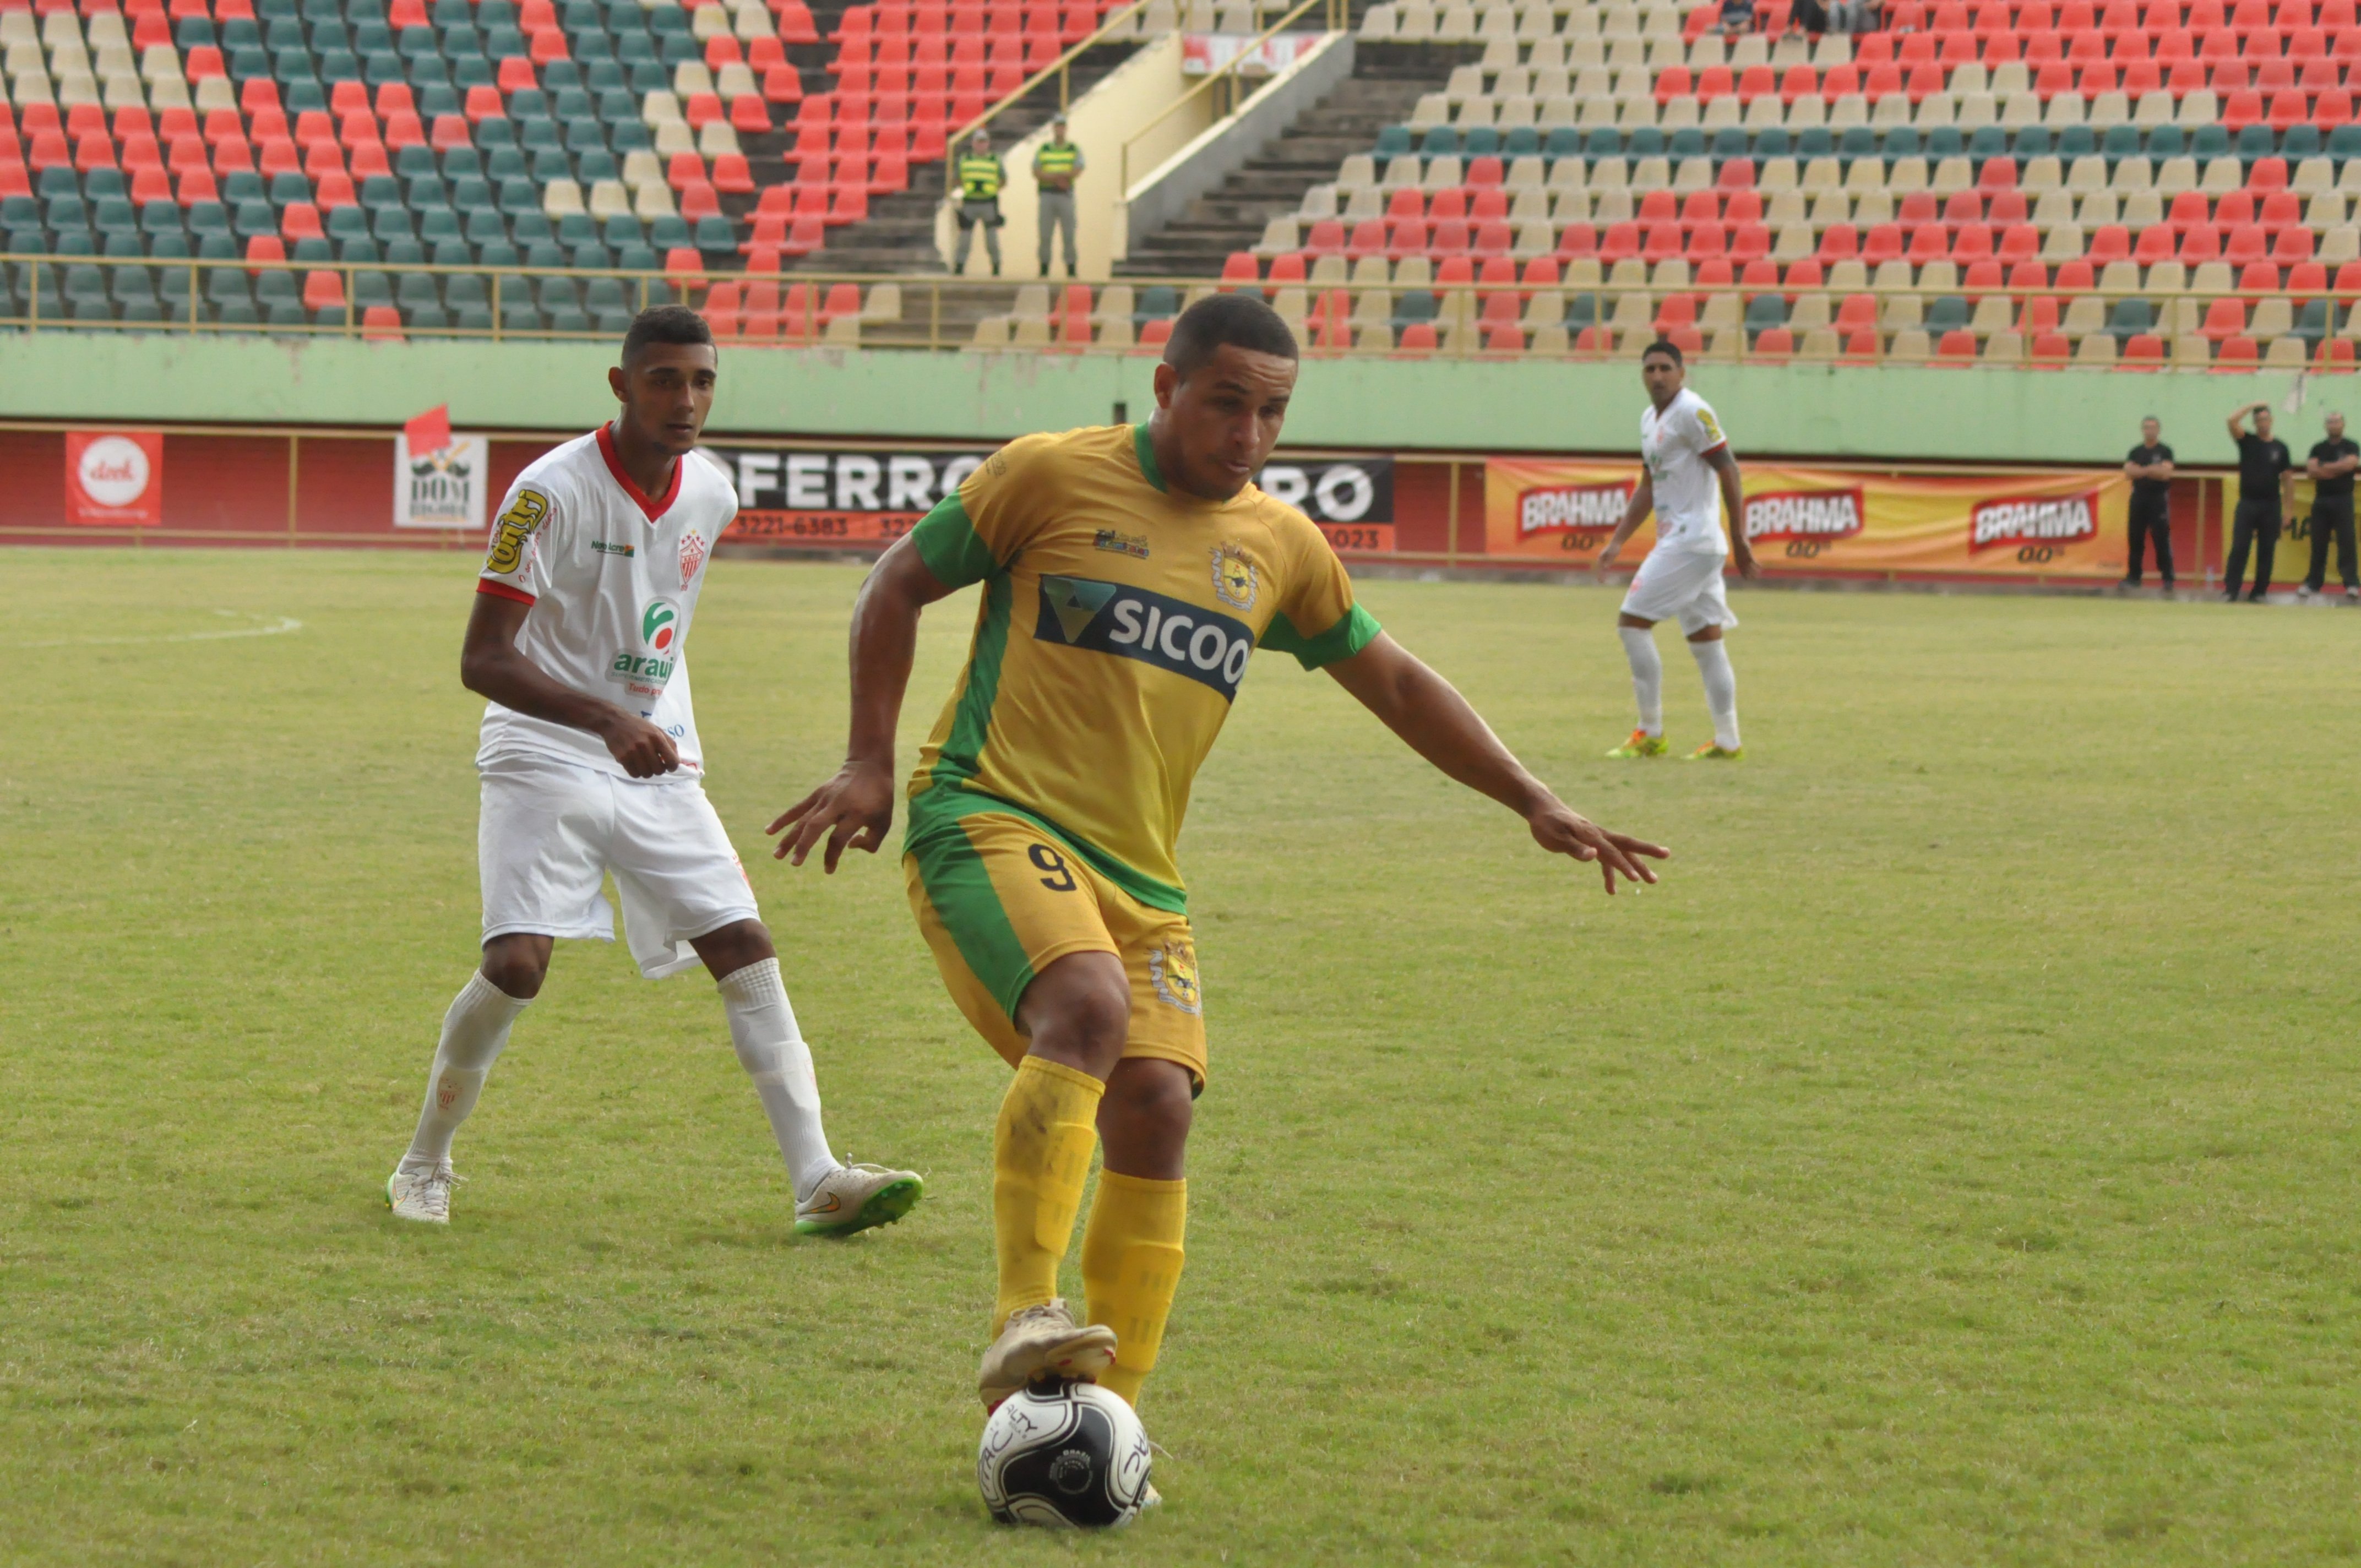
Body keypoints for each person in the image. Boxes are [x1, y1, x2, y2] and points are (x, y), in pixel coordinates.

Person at [766, 295, 1667, 1435]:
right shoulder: (1048, 475)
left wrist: (1532, 796)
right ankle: (1023, 1309)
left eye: (1272, 412)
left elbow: (1393, 679)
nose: (1248, 434)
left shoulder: (1278, 545)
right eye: (1226, 402)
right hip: (987, 811)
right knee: (1086, 1005)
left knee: (1155, 1105)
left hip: (1140, 877)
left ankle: (1108, 1428)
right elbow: (895, 581)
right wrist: (866, 758)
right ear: (1167, 387)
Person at [385, 306, 924, 1237]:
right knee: (517, 965)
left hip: (656, 752)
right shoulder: (547, 493)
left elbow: (652, 621)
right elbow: (483, 658)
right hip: (544, 745)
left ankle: (818, 1179)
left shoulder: (711, 490)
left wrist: (646, 718)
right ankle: (423, 1162)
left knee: (742, 942)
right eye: (665, 380)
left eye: (702, 381)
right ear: (622, 384)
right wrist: (604, 718)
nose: (686, 400)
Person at [1596, 339, 1759, 761]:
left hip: (1692, 540)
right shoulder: (1649, 419)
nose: (1658, 376)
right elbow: (1648, 485)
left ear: (1682, 373)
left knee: (1632, 624)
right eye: (1650, 369)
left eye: (1665, 368)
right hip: (1687, 542)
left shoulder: (1693, 411)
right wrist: (1618, 540)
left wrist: (1740, 537)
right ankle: (1728, 740)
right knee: (1707, 642)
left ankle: (1650, 731)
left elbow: (1728, 469)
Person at [2224, 401, 2293, 603]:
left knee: (2267, 549)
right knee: (2240, 547)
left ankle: (2260, 592)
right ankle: (2231, 590)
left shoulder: (2280, 448)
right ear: (2254, 423)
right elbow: (2231, 420)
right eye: (2259, 420)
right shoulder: (2247, 441)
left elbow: (2288, 480)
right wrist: (2253, 405)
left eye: (2265, 419)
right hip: (2248, 503)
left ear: (2271, 420)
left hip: (2271, 505)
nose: (2263, 423)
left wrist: (2288, 511)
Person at [2302, 410, 2360, 601]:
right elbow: (2312, 471)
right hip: (2321, 501)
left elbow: (2349, 466)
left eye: (2337, 421)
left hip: (2343, 500)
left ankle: (2351, 584)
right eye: (2330, 422)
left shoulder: (2351, 446)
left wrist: (2324, 468)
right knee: (2318, 543)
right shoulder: (2318, 448)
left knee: (2347, 542)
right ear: (2326, 425)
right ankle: (2313, 583)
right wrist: (2337, 469)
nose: (2333, 425)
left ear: (2343, 424)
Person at [2121, 415, 2175, 592]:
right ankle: (2134, 577)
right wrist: (2151, 470)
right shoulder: (2136, 452)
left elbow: (2165, 473)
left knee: (2161, 539)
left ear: (2158, 430)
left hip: (2158, 499)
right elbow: (2129, 472)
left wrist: (2142, 470)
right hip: (2139, 498)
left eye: (2152, 427)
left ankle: (2168, 578)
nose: (2149, 431)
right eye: (2146, 427)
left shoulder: (2165, 451)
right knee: (2135, 538)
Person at [1033, 116, 1085, 279]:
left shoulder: (1073, 149)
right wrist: (1058, 178)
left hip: (1065, 196)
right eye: (1057, 126)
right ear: (1053, 129)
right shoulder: (1044, 149)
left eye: (1062, 126)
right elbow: (1036, 171)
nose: (1060, 129)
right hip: (1047, 195)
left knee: (1069, 234)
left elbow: (1078, 169)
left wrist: (1058, 176)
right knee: (1045, 235)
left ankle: (1071, 270)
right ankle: (1044, 270)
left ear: (1066, 129)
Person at [954, 129, 1006, 277]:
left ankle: (996, 267)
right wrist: (967, 188)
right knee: (964, 240)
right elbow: (956, 179)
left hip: (988, 203)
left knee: (992, 240)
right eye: (978, 142)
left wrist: (993, 189)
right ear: (973, 144)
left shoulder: (995, 160)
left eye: (984, 142)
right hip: (969, 203)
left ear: (988, 144)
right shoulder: (965, 160)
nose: (981, 145)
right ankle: (959, 267)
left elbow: (1003, 179)